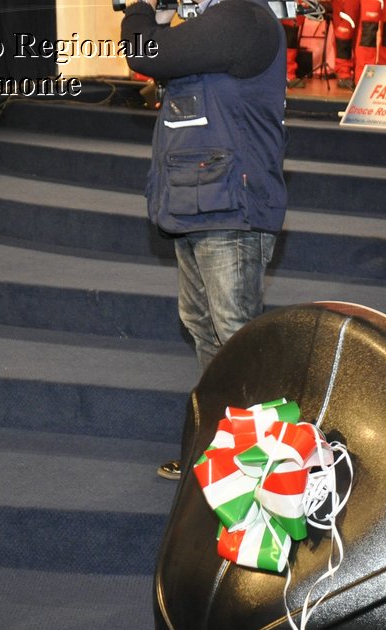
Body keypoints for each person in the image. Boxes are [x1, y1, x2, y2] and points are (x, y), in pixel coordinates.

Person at [122, 0, 288, 480]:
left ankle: (265, 470)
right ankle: (223, 455)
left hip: (231, 208)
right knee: (203, 328)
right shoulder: (211, 26)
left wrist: (139, 11)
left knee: (235, 335)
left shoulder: (242, 19)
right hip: (197, 200)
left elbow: (148, 52)